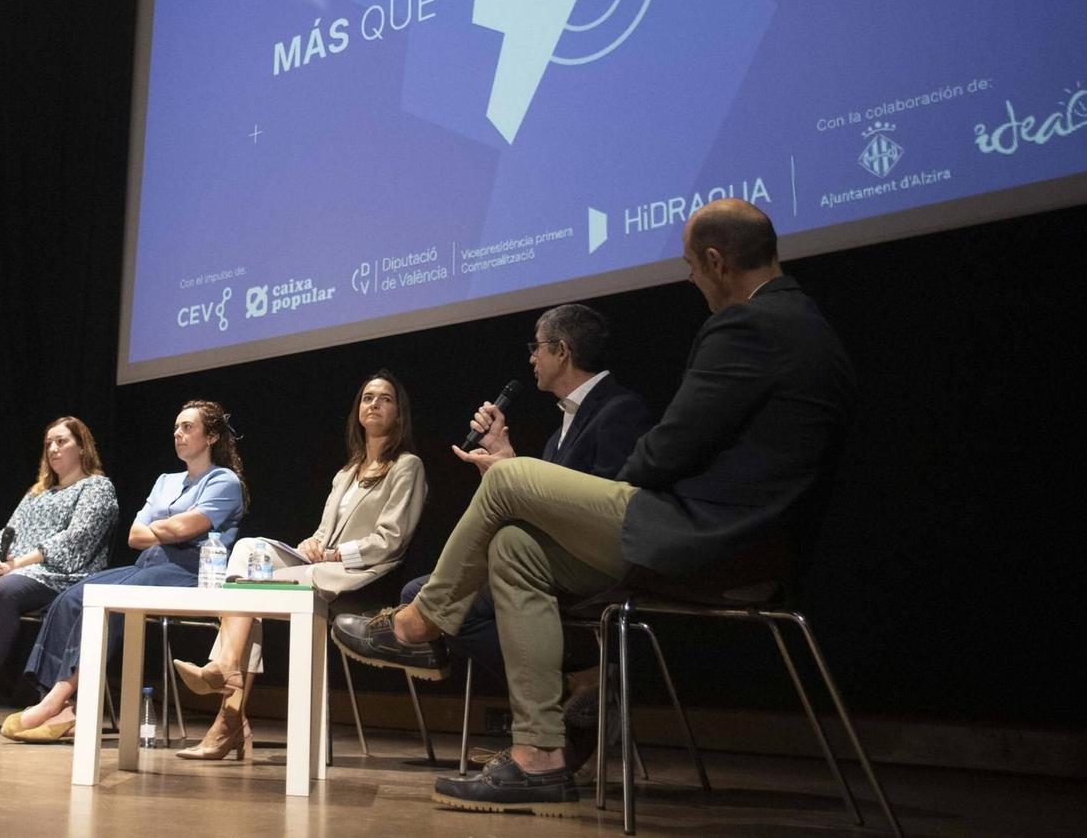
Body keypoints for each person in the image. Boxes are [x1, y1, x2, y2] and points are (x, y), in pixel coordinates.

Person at [333, 201, 853, 815]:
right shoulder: (806, 322)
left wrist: (563, 486)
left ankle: (416, 626)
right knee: (513, 547)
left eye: (690, 268)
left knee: (508, 482)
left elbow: (668, 449)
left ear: (716, 262)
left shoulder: (750, 325)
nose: (691, 280)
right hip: (742, 538)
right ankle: (539, 758)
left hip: (711, 539)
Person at [171, 371, 426, 761]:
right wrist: (314, 542)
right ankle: (226, 676)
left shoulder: (407, 466)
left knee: (246, 591)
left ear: (399, 412)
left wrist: (338, 553)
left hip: (363, 576)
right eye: (367, 398)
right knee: (247, 552)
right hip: (321, 566)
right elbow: (324, 532)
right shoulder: (346, 474)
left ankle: (228, 714)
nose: (374, 404)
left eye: (385, 399)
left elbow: (391, 540)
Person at [398, 304, 651, 689]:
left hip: (590, 565)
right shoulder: (559, 433)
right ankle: (573, 688)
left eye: (537, 347)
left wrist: (511, 473)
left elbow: (604, 505)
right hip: (540, 559)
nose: (532, 357)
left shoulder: (621, 409)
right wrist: (506, 459)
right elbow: (547, 499)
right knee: (421, 592)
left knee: (432, 600)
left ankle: (572, 686)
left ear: (562, 350)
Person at [3, 401, 246, 743]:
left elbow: (186, 530)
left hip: (191, 569)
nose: (178, 434)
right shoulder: (166, 480)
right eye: (176, 427)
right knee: (72, 598)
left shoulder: (224, 481)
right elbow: (135, 536)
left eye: (188, 427)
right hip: (147, 565)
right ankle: (64, 706)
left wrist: (166, 526)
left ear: (212, 436)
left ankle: (56, 700)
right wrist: (174, 526)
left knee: (113, 601)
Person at [0, 416, 118, 732]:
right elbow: (8, 533)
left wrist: (18, 564)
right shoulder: (37, 492)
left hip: (63, 574)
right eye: (49, 444)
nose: (54, 449)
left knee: (5, 591)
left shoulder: (96, 487)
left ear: (82, 447)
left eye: (62, 441)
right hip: (15, 569)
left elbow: (76, 538)